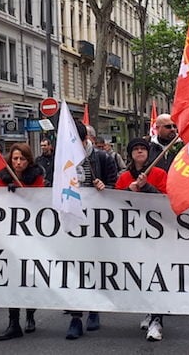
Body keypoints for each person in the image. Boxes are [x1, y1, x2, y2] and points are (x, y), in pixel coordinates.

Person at [63, 124, 117, 340]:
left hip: (97, 223)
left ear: (83, 138)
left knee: (93, 266)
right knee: (73, 269)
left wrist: (105, 187)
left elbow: (115, 185)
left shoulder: (102, 158)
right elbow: (50, 184)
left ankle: (94, 309)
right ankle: (75, 317)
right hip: (72, 220)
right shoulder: (63, 159)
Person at [0, 143, 45, 341]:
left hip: (31, 236)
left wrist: (23, 192)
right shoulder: (3, 178)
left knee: (28, 276)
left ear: (28, 160)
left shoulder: (37, 177)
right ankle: (14, 322)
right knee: (12, 276)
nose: (18, 162)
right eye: (15, 159)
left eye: (22, 159)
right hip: (9, 236)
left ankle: (30, 313)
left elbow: (38, 200)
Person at [116, 138, 167, 342]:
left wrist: (147, 189)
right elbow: (115, 203)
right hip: (134, 233)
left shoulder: (159, 174)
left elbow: (166, 199)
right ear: (130, 154)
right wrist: (129, 191)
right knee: (142, 275)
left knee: (157, 275)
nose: (139, 152)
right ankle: (149, 311)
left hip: (157, 234)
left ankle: (157, 320)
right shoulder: (124, 177)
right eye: (135, 149)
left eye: (142, 149)